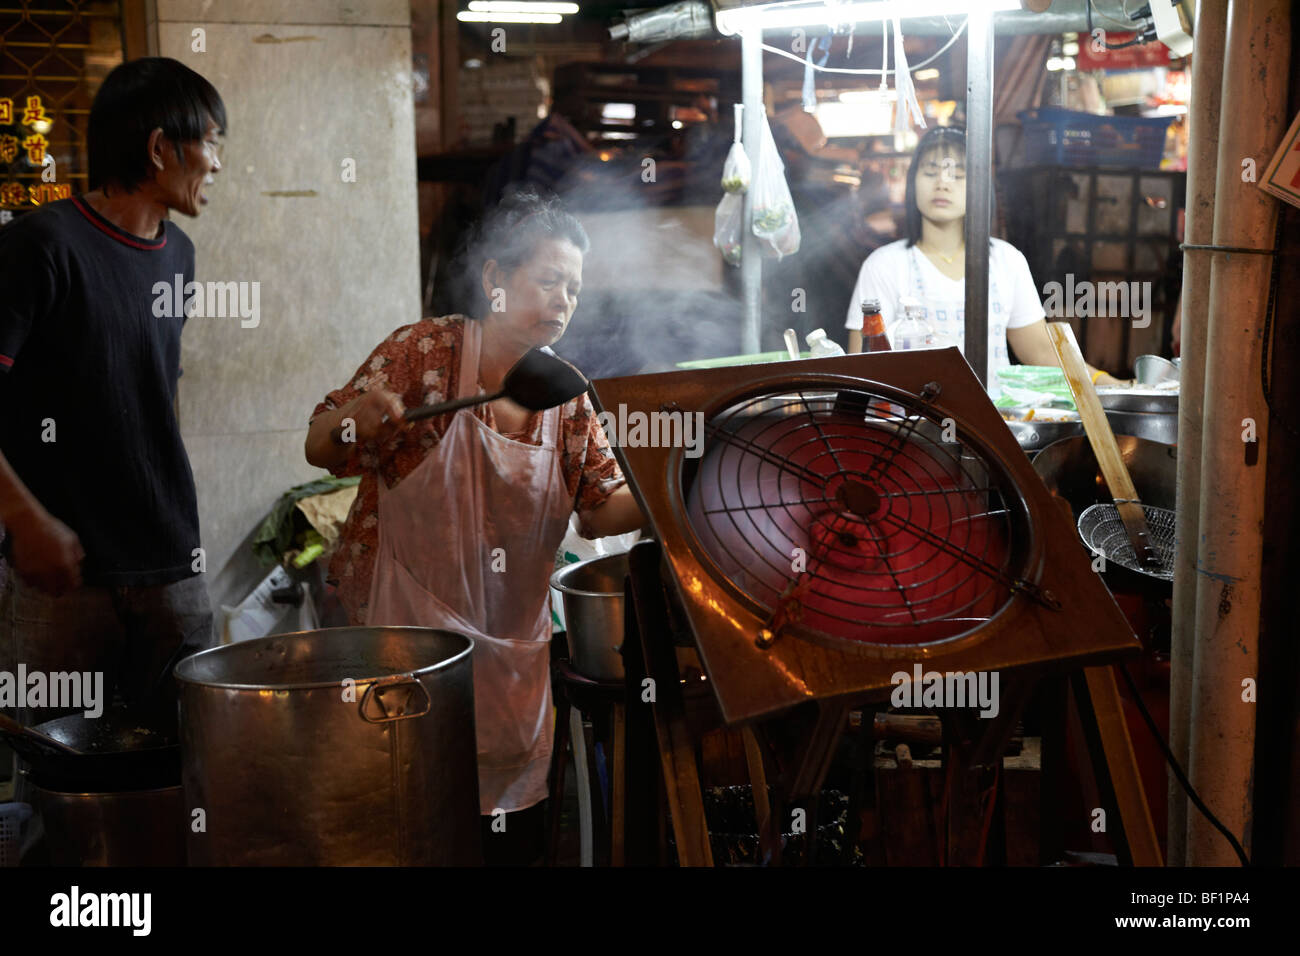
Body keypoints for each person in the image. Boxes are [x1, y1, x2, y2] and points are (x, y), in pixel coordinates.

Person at [305, 190, 643, 865]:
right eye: (548, 279)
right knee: (408, 825)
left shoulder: (565, 392)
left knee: (505, 842)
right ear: (495, 279)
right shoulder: (423, 352)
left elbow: (602, 508)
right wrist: (359, 417)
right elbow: (322, 445)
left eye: (574, 289)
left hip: (510, 663)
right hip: (403, 646)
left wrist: (671, 481)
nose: (563, 301)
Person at [0, 58, 225, 739]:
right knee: (62, 779)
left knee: (188, 766)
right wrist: (28, 523)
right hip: (62, 579)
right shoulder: (39, 246)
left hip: (171, 564)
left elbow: (146, 395)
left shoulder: (179, 253)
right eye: (210, 141)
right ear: (160, 148)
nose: (216, 164)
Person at [844, 125, 1125, 390]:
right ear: (912, 182)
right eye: (930, 173)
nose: (942, 183)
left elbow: (1039, 349)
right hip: (910, 427)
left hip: (992, 429)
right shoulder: (884, 266)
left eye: (957, 174)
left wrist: (1104, 381)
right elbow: (861, 364)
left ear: (979, 185)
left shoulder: (1006, 261)